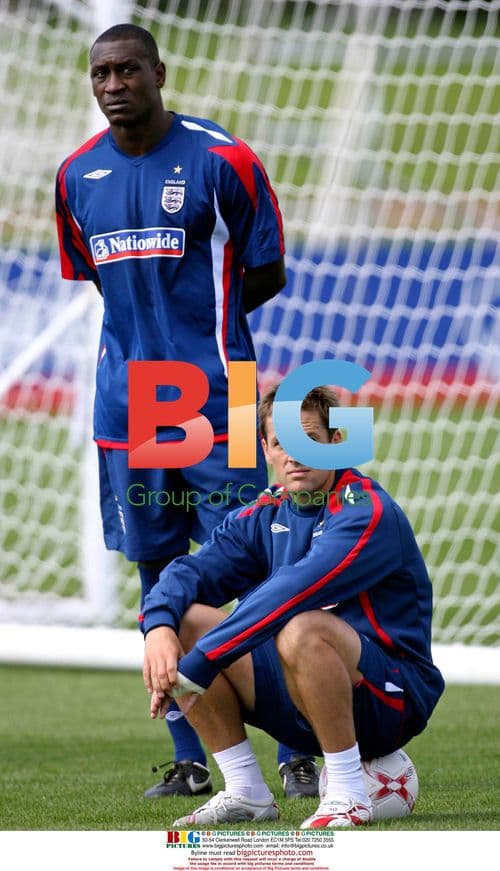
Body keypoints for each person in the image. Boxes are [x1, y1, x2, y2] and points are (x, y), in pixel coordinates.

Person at [55, 23, 317, 800]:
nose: (112, 84)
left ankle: (298, 744)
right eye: (100, 72)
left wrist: (209, 348)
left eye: (127, 69)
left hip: (221, 400)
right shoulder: (76, 176)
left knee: (264, 562)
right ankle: (192, 754)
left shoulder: (222, 159)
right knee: (160, 570)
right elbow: (103, 285)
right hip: (130, 406)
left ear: (160, 72)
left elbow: (260, 272)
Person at [141, 383, 445, 828]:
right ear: (265, 448)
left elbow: (294, 590)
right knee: (186, 623)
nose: (294, 456)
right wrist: (158, 629)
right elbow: (191, 572)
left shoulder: (366, 509)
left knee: (303, 626)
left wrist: (201, 666)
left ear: (337, 442)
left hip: (390, 700)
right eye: (282, 443)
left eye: (310, 441)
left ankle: (347, 793)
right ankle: (246, 791)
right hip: (301, 694)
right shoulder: (264, 513)